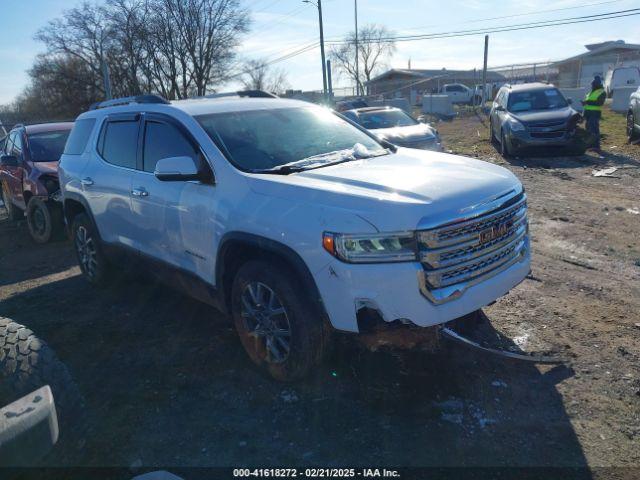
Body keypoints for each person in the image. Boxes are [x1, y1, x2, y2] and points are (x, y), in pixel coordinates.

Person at [581, 75, 606, 153]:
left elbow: (599, 103)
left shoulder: (602, 92)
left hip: (595, 113)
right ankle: (590, 145)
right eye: (592, 84)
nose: (592, 85)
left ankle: (596, 146)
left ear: (597, 84)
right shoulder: (591, 92)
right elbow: (588, 103)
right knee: (588, 130)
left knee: (594, 130)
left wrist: (587, 102)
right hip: (588, 113)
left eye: (593, 84)